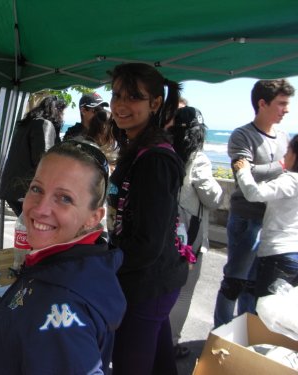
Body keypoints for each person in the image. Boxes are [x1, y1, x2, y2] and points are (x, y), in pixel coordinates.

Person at [0, 140, 126, 375]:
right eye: (37, 189)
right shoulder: (84, 262)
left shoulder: (61, 309)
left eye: (65, 198)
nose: (39, 209)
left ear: (93, 217)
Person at [107, 62, 188, 375]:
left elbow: (148, 243)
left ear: (155, 103)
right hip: (155, 279)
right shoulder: (139, 146)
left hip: (147, 283)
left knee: (131, 365)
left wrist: (103, 264)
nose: (120, 105)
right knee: (159, 362)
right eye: (116, 95)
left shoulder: (154, 158)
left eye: (133, 97)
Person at [213, 78, 295, 328]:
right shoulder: (242, 135)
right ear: (262, 103)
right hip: (247, 219)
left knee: (255, 285)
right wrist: (281, 166)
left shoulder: (283, 137)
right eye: (281, 103)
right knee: (234, 282)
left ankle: (243, 336)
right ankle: (221, 333)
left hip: (273, 222)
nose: (287, 109)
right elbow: (244, 173)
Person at [167, 106, 223, 358]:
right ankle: (171, 343)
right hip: (189, 236)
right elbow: (212, 197)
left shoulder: (164, 152)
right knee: (183, 292)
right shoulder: (198, 158)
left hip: (165, 229)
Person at [233, 134, 298, 297]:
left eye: (288, 151)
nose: (284, 156)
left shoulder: (291, 180)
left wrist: (243, 170)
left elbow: (253, 193)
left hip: (280, 255)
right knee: (283, 315)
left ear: (297, 155)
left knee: (266, 311)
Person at [0, 96, 66, 216]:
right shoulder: (44, 125)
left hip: (12, 189)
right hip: (26, 190)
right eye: (62, 112)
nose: (62, 117)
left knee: (27, 227)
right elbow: (45, 161)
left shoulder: (27, 124)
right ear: (57, 110)